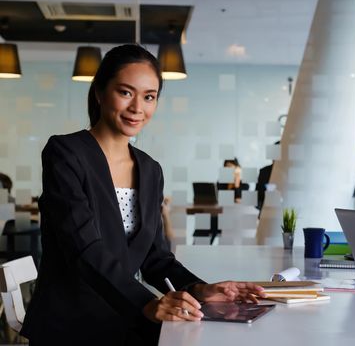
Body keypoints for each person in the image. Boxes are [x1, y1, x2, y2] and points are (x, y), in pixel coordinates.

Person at [20, 44, 265, 345]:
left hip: (125, 320)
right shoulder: (66, 153)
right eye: (126, 92)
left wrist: (200, 290)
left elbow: (155, 258)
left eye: (149, 96)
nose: (138, 108)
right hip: (70, 325)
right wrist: (145, 303)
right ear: (99, 92)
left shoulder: (150, 169)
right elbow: (84, 249)